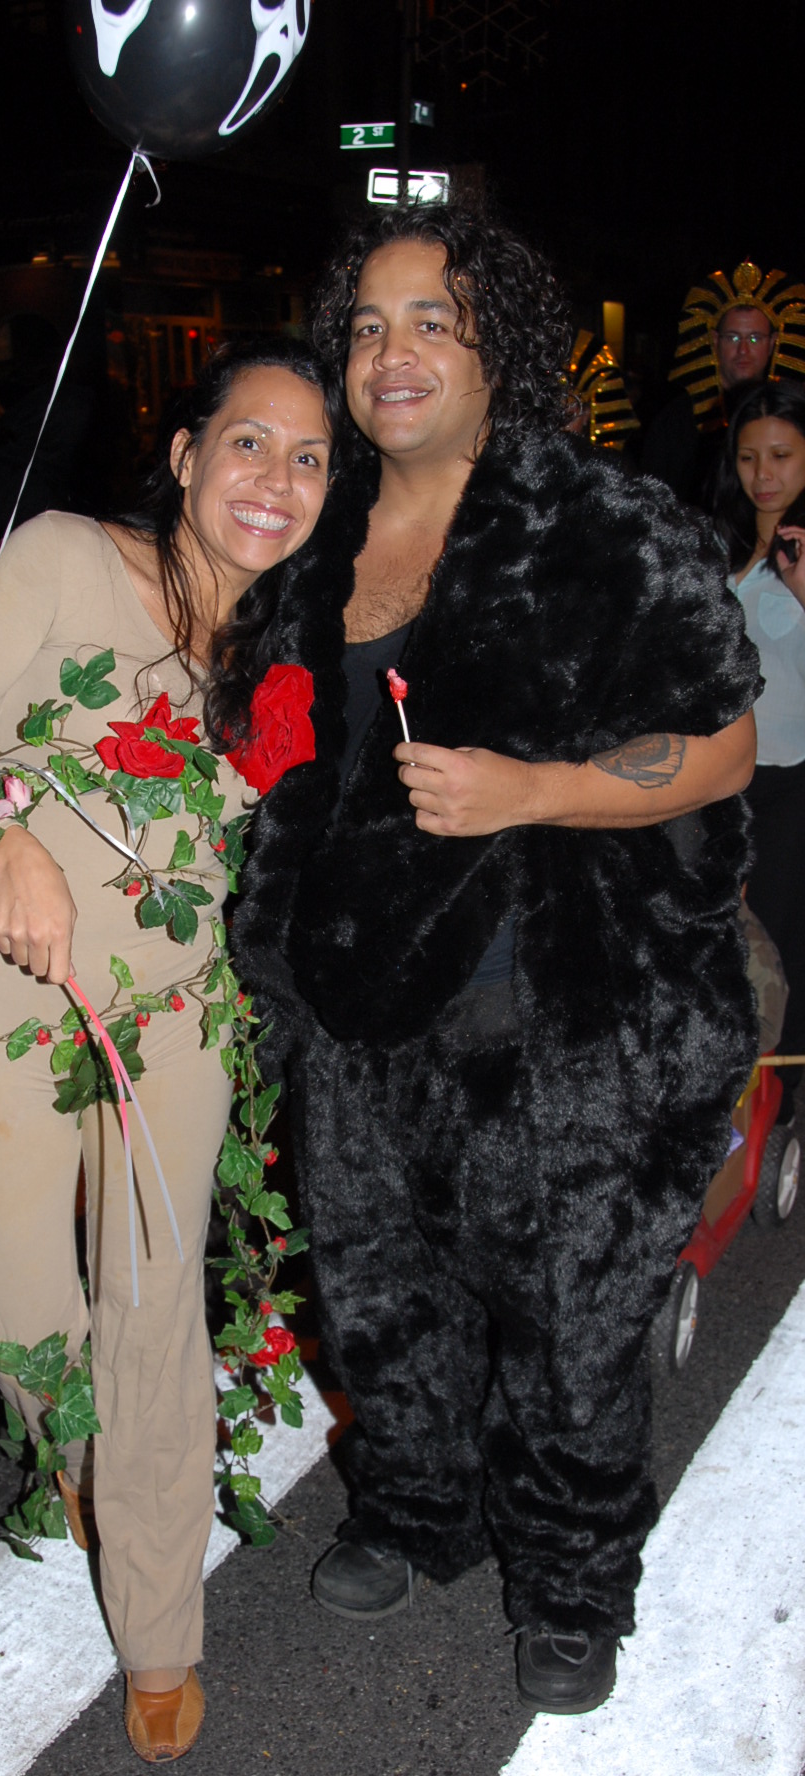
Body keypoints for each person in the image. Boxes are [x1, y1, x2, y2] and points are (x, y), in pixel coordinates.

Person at [231, 202, 759, 1716]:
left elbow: (722, 747)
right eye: (367, 326)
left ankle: (574, 1580)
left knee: (569, 1324)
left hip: (555, 1014)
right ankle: (418, 1510)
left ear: (497, 350)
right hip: (357, 1008)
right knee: (378, 1296)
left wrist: (535, 789)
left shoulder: (601, 525)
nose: (390, 354)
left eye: (431, 321)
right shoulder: (312, 534)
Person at [0, 337, 336, 1765]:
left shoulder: (280, 655)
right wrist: (6, 842)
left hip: (174, 1023)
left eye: (310, 459)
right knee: (24, 1317)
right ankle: (81, 1455)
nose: (275, 479)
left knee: (153, 1314)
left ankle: (157, 1623)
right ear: (186, 457)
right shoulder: (65, 557)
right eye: (248, 443)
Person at [713, 378, 805, 1110]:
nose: (764, 475)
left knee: (778, 937)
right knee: (720, 934)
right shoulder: (724, 545)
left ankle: (781, 1096)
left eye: (781, 455)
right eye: (749, 458)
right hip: (722, 776)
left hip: (791, 779)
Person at [638, 260, 803, 508]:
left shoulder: (792, 415)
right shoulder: (676, 420)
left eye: (755, 338)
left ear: (772, 343)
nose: (743, 350)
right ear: (715, 340)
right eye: (733, 338)